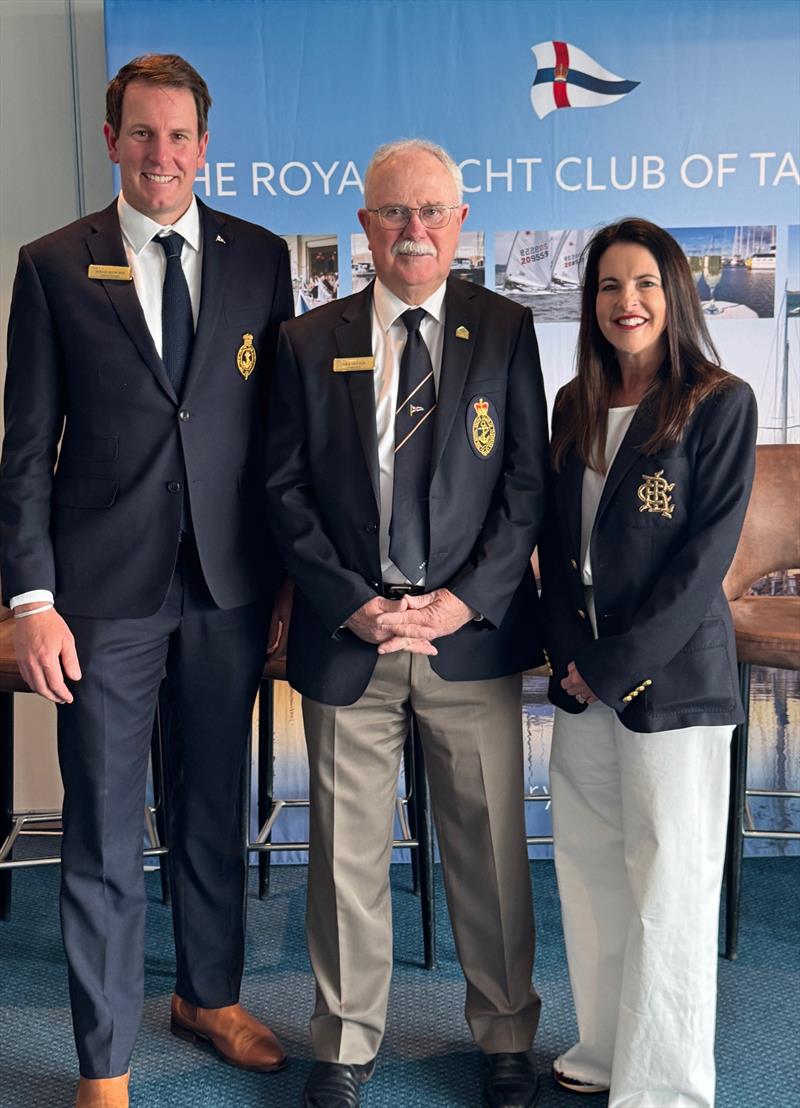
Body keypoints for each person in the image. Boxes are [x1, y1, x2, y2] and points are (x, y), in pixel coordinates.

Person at [0, 54, 294, 1108]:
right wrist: (29, 601)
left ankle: (208, 995)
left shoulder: (259, 259)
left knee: (211, 807)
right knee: (104, 826)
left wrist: (290, 585)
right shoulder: (51, 265)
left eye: (179, 137)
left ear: (203, 146)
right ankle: (104, 1060)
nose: (161, 155)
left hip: (226, 590)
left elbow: (277, 442)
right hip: (101, 601)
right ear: (114, 139)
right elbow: (25, 448)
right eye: (142, 134)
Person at [266, 138, 549, 1108]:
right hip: (352, 638)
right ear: (364, 228)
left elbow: (525, 489)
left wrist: (464, 599)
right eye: (393, 213)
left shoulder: (505, 330)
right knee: (345, 852)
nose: (413, 230)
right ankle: (343, 1044)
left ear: (460, 222)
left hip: (467, 639)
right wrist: (356, 602)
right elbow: (284, 491)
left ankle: (506, 1033)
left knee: (489, 850)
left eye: (431, 211)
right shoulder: (310, 342)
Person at [540, 218, 757, 1107]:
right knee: (590, 867)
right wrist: (568, 656)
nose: (625, 303)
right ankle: (603, 1048)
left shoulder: (720, 402)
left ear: (674, 295)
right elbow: (554, 548)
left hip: (672, 682)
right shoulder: (572, 404)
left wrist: (613, 664)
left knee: (669, 880)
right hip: (583, 678)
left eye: (643, 285)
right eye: (606, 287)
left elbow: (703, 563)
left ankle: (664, 1084)